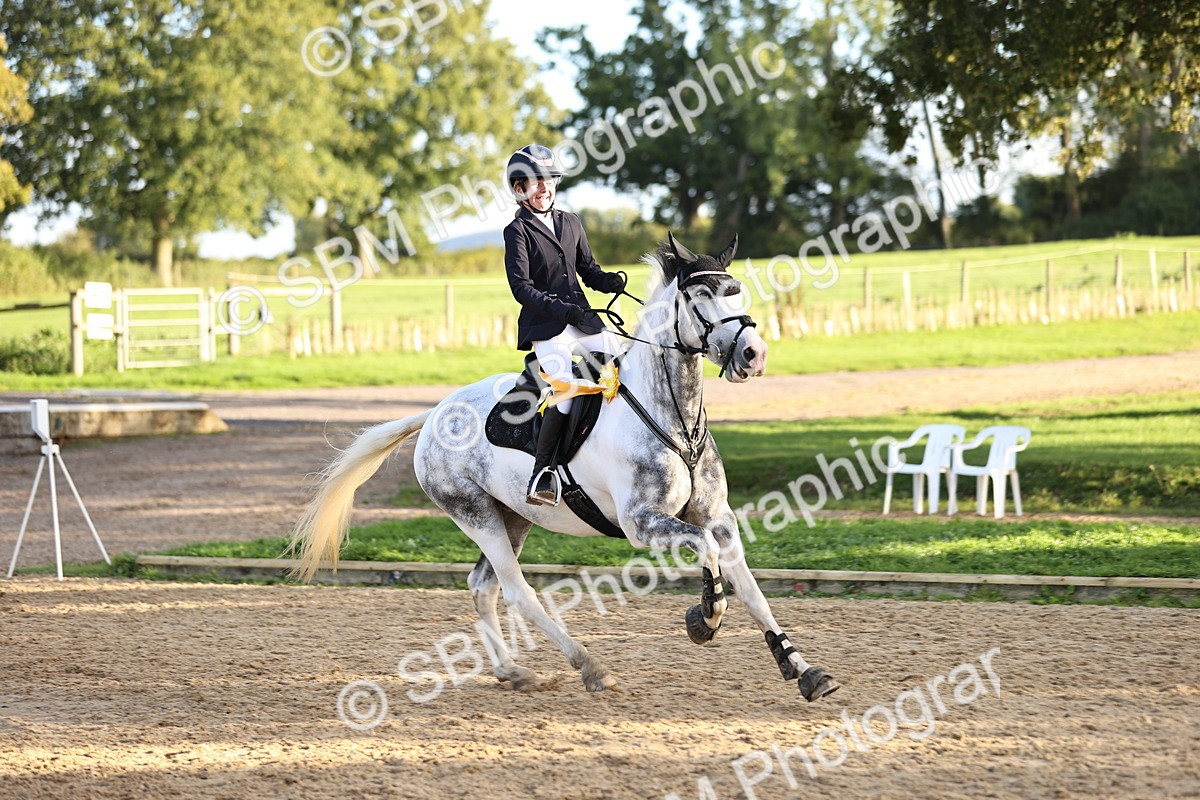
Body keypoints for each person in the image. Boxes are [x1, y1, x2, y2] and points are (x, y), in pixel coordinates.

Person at [503, 144, 627, 506]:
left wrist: (608, 282)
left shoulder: (570, 221)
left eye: (549, 180)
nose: (544, 188)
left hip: (583, 320)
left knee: (623, 364)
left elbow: (587, 270)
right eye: (535, 182)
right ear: (519, 189)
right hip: (546, 327)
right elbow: (521, 288)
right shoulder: (517, 231)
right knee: (568, 391)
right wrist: (562, 311)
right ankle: (543, 474)